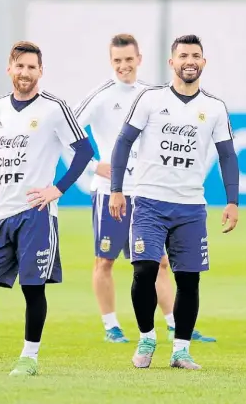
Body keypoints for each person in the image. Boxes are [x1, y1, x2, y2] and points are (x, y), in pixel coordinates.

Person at [0, 41, 94, 377]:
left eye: (32, 67)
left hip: (36, 213)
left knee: (32, 286)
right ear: (9, 69)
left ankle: (29, 358)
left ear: (41, 71)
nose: (25, 73)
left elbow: (84, 151)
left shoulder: (55, 108)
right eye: (20, 66)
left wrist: (57, 189)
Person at [72, 33, 217, 345]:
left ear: (139, 59)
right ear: (111, 62)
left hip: (149, 190)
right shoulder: (100, 96)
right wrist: (94, 165)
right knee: (105, 260)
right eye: (117, 61)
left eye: (128, 59)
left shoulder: (152, 94)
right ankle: (111, 326)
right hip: (111, 190)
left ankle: (174, 323)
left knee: (160, 261)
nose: (124, 66)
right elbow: (65, 133)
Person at [109, 34, 239, 370]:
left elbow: (227, 156)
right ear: (172, 63)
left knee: (189, 279)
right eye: (183, 55)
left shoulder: (214, 108)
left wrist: (232, 201)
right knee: (145, 269)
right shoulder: (150, 99)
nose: (189, 61)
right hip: (150, 201)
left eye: (195, 55)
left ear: (203, 62)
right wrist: (117, 188)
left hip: (191, 207)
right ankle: (147, 337)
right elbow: (123, 143)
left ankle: (181, 350)